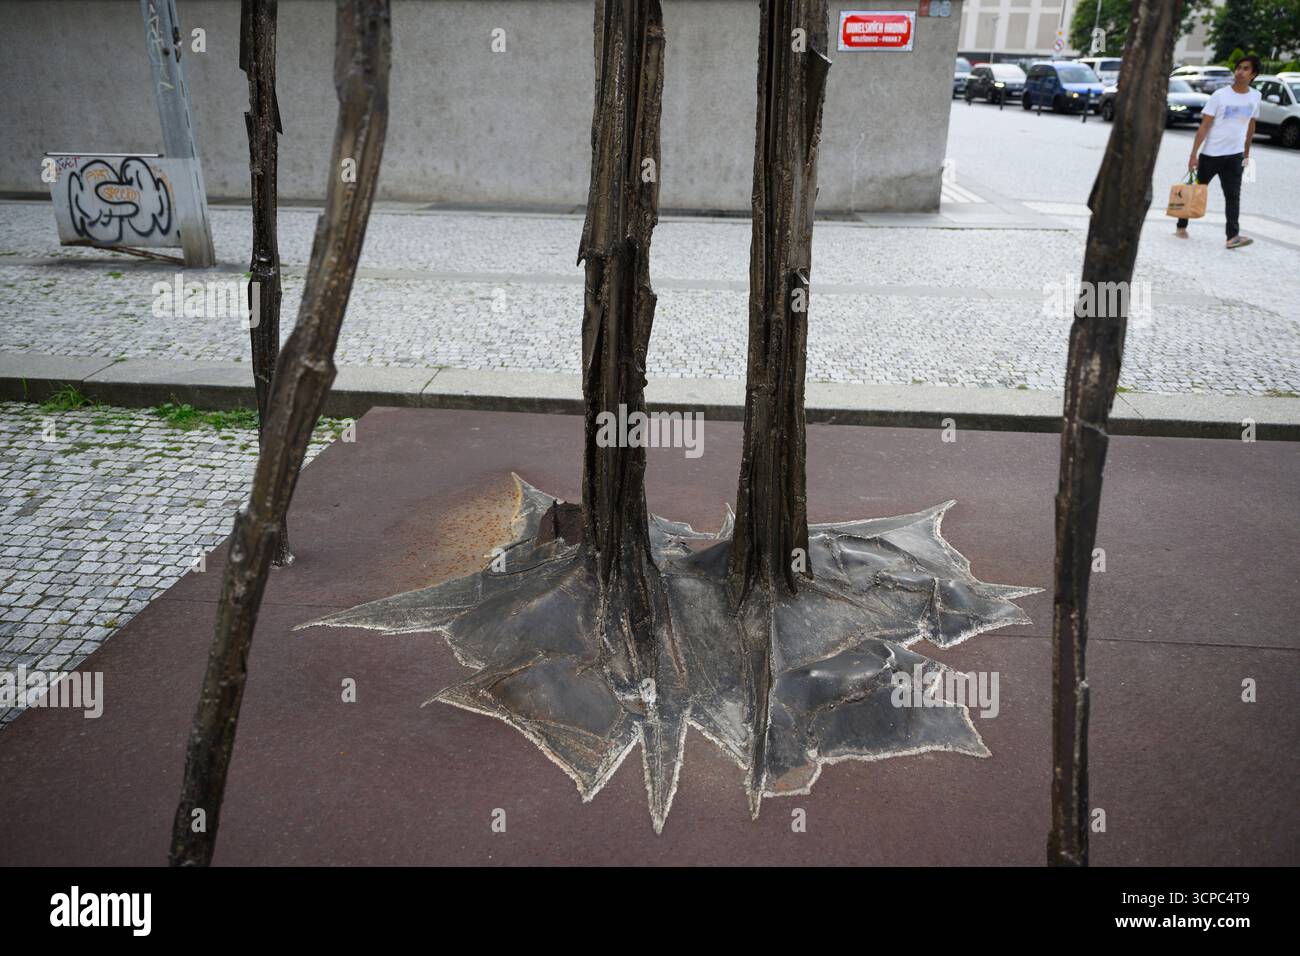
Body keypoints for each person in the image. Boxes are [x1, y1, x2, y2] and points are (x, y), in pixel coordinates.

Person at [1175, 55, 1261, 249]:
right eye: (1238, 68)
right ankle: (1181, 225)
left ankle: (1232, 236)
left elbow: (1251, 125)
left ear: (1253, 74)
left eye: (1245, 69)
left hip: (1235, 155)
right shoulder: (1220, 95)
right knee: (1196, 189)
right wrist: (1193, 154)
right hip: (1211, 155)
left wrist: (1246, 154)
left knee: (1233, 196)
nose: (1240, 72)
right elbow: (1204, 126)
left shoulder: (1255, 96)